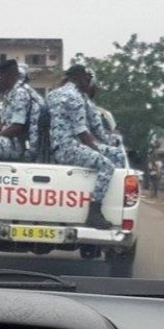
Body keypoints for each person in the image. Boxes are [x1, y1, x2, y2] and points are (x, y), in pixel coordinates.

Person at [47, 65, 117, 229]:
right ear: (78, 78)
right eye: (87, 78)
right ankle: (94, 212)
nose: (89, 82)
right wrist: (97, 150)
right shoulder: (75, 97)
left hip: (54, 149)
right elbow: (82, 132)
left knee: (108, 157)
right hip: (69, 149)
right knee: (107, 165)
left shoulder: (52, 95)